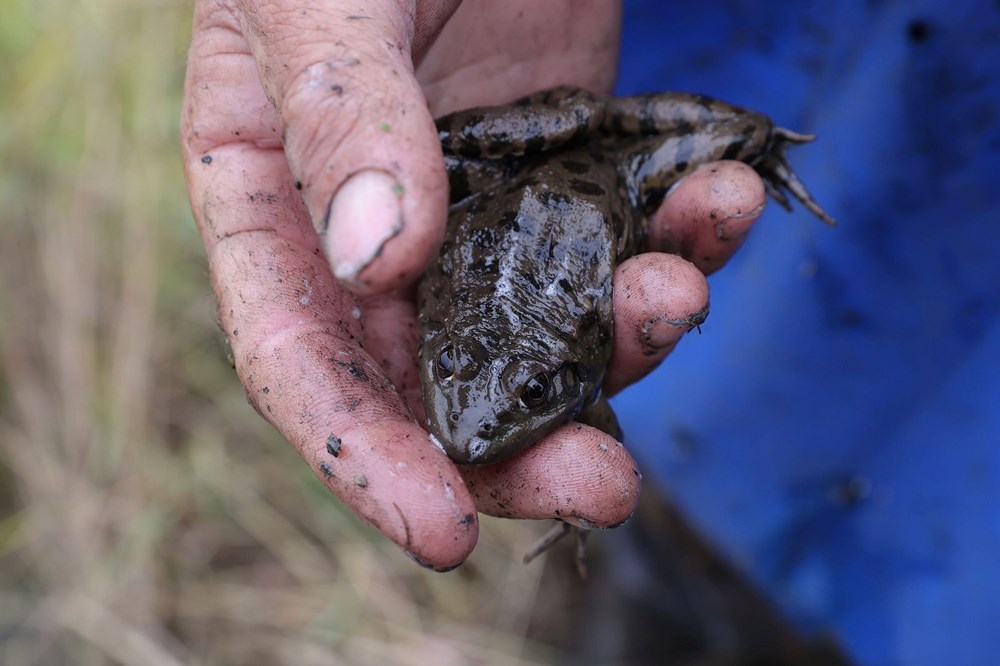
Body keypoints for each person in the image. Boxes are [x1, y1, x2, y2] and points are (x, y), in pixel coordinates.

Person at [181, 0, 765, 570]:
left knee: (749, 135)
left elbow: (596, 411)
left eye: (535, 393)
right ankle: (664, 567)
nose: (468, 429)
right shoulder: (528, 374)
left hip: (624, 173)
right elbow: (598, 420)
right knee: (641, 470)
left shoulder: (577, 385)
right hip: (512, 169)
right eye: (455, 361)